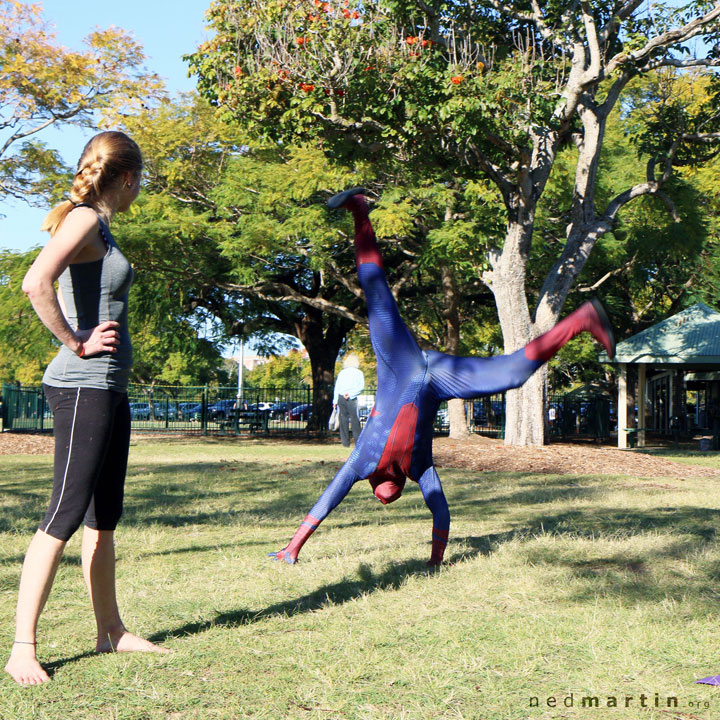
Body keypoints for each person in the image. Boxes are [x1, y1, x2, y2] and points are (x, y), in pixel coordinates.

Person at [270, 187, 616, 567]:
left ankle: (359, 210)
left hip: (398, 364)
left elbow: (327, 500)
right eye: (391, 497)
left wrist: (294, 546)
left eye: (378, 496)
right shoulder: (420, 468)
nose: (384, 497)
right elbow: (442, 513)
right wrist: (436, 560)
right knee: (515, 374)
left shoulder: (360, 463)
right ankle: (582, 319)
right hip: (439, 380)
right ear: (400, 488)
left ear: (372, 486)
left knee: (377, 294)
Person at [5, 131, 168, 687]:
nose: (138, 189)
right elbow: (35, 282)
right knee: (65, 515)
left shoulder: (97, 226)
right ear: (126, 178)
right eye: (139, 180)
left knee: (104, 519)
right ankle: (22, 647)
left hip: (108, 387)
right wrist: (76, 341)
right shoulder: (83, 220)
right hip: (82, 386)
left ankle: (110, 631)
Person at [332, 353, 365, 446]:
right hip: (352, 398)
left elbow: (337, 388)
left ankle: (345, 442)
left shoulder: (342, 373)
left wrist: (335, 401)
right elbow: (361, 387)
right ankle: (358, 441)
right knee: (355, 420)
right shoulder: (359, 373)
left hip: (341, 397)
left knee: (343, 419)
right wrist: (350, 394)